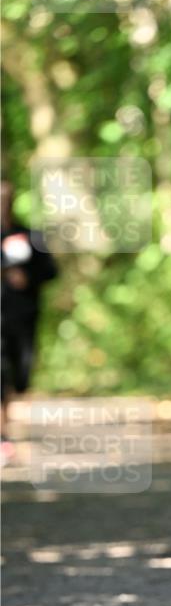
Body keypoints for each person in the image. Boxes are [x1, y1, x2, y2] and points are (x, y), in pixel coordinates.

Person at [1, 179, 58, 463]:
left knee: (19, 377)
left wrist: (27, 278)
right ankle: (3, 435)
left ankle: (8, 423)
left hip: (23, 317)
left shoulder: (29, 236)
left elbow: (51, 271)